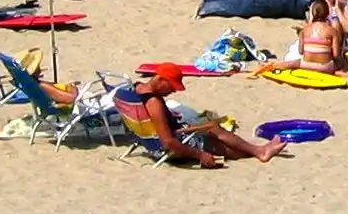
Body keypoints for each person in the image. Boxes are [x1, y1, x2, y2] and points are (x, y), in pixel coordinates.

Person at [112, 66, 283, 165]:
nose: (173, 91)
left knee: (212, 127)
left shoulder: (134, 89)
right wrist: (200, 155)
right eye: (171, 87)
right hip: (169, 148)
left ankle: (259, 150)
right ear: (160, 80)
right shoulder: (153, 103)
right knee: (228, 145)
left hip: (149, 142)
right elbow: (168, 141)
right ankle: (260, 152)